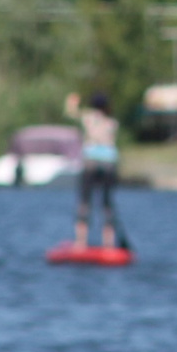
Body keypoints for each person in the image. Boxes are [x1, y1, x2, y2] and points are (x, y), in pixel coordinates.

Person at [67, 91, 125, 249]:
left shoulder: (88, 118)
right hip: (109, 163)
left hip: (91, 162)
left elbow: (71, 113)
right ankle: (109, 243)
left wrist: (72, 101)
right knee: (107, 203)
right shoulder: (112, 122)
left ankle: (81, 242)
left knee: (85, 201)